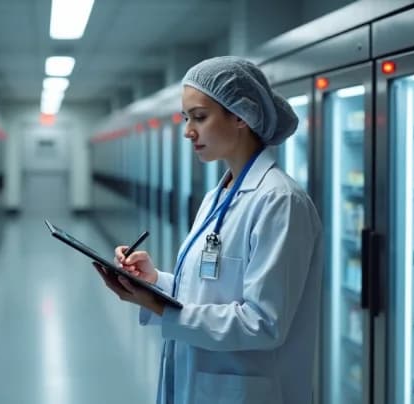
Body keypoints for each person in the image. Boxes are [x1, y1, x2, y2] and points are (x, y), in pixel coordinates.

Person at [93, 56, 323, 404]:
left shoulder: (279, 201)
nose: (188, 131)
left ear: (240, 116)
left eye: (199, 117)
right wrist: (156, 282)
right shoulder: (221, 193)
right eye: (187, 118)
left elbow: (262, 323)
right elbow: (211, 288)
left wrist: (159, 306)